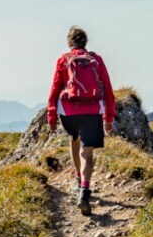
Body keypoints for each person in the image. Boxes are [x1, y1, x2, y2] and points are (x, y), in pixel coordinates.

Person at [46, 26, 116, 212]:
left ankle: (78, 178)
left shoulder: (64, 60)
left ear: (70, 43)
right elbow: (107, 88)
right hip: (92, 110)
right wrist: (108, 117)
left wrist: (51, 116)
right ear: (85, 42)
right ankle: (85, 191)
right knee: (88, 152)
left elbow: (54, 89)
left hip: (68, 111)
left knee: (74, 141)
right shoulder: (96, 60)